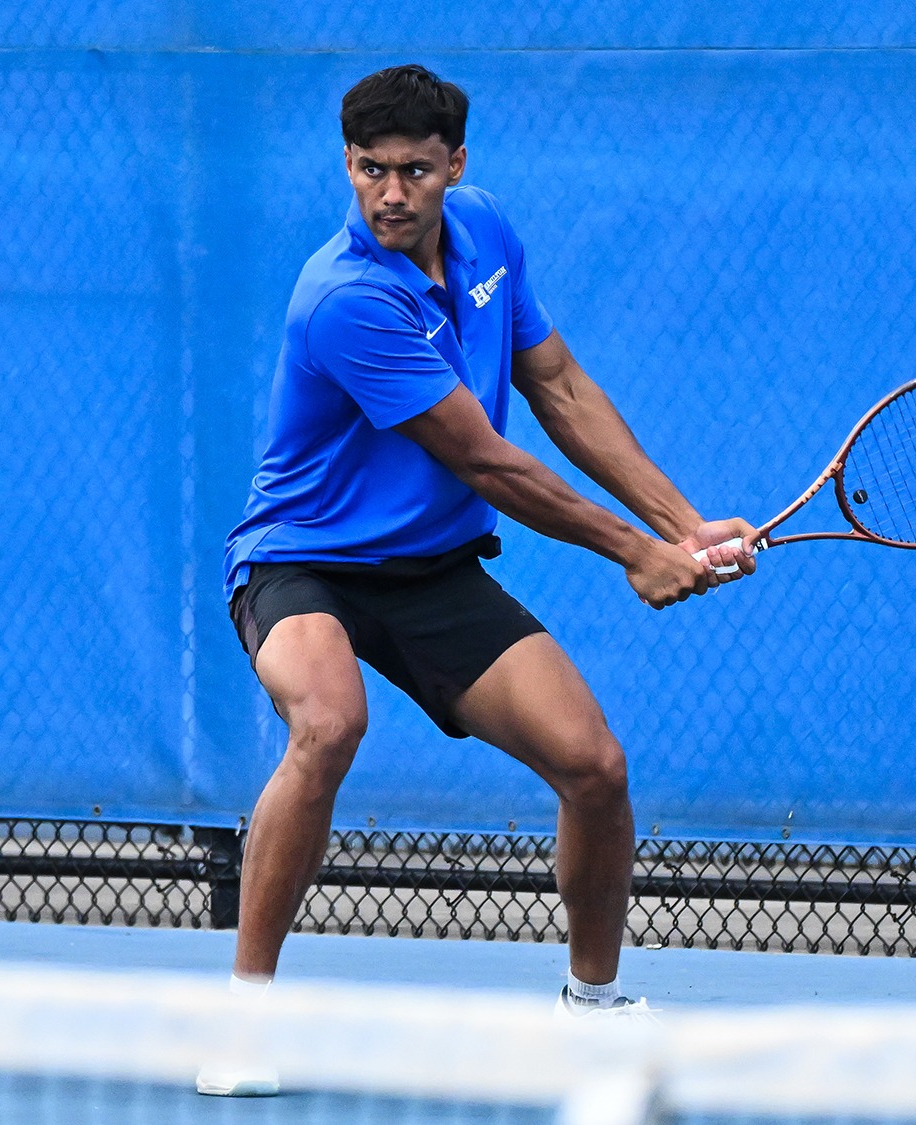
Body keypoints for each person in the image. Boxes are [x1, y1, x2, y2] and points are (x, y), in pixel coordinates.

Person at [201, 64, 759, 1097]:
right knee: (328, 722)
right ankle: (243, 1018)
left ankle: (591, 1007)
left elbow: (557, 385)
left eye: (414, 170)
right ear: (347, 164)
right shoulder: (345, 298)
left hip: (432, 571)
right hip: (302, 561)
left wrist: (681, 527)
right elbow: (485, 462)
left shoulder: (487, 233)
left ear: (455, 166)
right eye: (369, 169)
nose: (390, 193)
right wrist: (634, 552)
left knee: (594, 766)